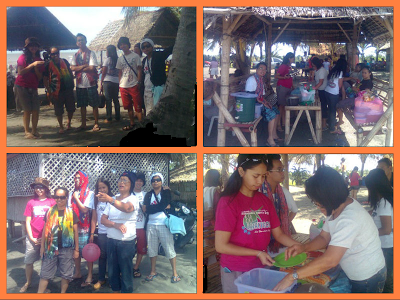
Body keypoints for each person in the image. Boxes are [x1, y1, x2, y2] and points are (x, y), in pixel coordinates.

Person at [273, 166, 386, 293]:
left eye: (319, 203)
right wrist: (303, 248)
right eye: (316, 203)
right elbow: (323, 237)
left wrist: (292, 276)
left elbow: (331, 260)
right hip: (357, 273)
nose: (318, 207)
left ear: (330, 196)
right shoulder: (336, 207)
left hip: (368, 277)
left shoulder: (349, 218)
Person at [215, 154, 300, 293]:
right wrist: (257, 253)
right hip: (235, 269)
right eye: (255, 176)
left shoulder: (264, 201)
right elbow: (221, 246)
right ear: (241, 172)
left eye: (263, 176)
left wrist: (299, 246)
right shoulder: (228, 202)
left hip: (259, 267)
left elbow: (278, 234)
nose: (260, 181)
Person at [99, 171, 139, 293]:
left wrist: (110, 200)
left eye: (125, 180)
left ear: (131, 184)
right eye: (120, 180)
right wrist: (115, 224)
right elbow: (103, 220)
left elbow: (127, 208)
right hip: (111, 240)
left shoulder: (133, 199)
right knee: (112, 273)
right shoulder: (113, 198)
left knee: (126, 273)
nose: (121, 182)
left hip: (126, 243)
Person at [37, 187, 79, 293]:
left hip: (66, 248)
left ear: (66, 198)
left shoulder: (71, 213)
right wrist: (42, 247)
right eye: (57, 197)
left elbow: (75, 232)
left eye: (62, 197)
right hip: (50, 247)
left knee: (66, 274)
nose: (59, 200)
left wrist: (77, 249)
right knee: (45, 273)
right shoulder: (49, 212)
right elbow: (44, 231)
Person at [143, 173, 181, 283]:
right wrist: (160, 207)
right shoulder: (148, 195)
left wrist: (153, 208)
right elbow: (146, 209)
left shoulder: (166, 192)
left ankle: (174, 272)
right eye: (153, 180)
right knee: (152, 249)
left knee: (169, 248)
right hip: (151, 225)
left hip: (164, 224)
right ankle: (153, 271)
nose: (155, 182)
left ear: (161, 181)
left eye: (158, 180)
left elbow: (161, 205)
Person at [20, 178, 56, 293]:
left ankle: (43, 286)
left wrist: (46, 237)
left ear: (46, 188)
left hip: (47, 237)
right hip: (33, 237)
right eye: (36, 187)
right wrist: (31, 237)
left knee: (46, 262)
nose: (39, 189)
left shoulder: (51, 202)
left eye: (41, 187)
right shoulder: (31, 202)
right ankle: (28, 282)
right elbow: (27, 220)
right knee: (29, 261)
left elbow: (55, 221)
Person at [365, 169, 393, 293]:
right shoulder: (381, 201)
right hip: (385, 245)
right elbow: (375, 213)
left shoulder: (385, 203)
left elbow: (386, 229)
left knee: (387, 279)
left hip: (387, 246)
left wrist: (368, 233)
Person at [262, 154, 298, 247]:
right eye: (279, 170)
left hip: (282, 242)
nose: (282, 173)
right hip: (263, 245)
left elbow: (294, 210)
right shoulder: (259, 193)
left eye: (282, 169)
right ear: (267, 173)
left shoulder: (284, 192)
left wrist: (283, 224)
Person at [14, 37, 45, 139]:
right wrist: (32, 64)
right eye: (31, 46)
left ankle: (34, 130)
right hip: (22, 86)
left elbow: (40, 77)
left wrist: (36, 67)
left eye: (35, 46)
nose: (33, 47)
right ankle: (27, 131)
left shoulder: (39, 60)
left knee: (35, 109)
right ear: (27, 48)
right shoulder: (22, 58)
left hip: (33, 86)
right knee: (27, 110)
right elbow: (20, 72)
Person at [68, 171, 95, 286]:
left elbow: (85, 210)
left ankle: (89, 275)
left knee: (88, 252)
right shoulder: (73, 192)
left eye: (79, 178)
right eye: (75, 178)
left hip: (84, 227)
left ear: (84, 179)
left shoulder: (90, 193)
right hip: (73, 226)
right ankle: (78, 272)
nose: (76, 180)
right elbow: (69, 207)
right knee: (76, 251)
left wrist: (76, 198)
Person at [71, 33, 101, 132]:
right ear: (76, 43)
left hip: (90, 82)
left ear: (86, 41)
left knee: (94, 104)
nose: (80, 42)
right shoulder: (76, 55)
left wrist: (78, 68)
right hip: (80, 83)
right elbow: (72, 67)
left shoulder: (91, 53)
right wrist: (84, 66)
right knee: (82, 105)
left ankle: (96, 123)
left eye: (82, 40)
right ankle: (83, 124)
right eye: (79, 40)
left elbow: (92, 67)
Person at [245, 62, 280, 147]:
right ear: (256, 69)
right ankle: (270, 139)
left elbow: (261, 96)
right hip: (252, 106)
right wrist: (263, 103)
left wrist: (266, 102)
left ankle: (274, 134)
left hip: (258, 103)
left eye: (264, 69)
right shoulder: (252, 80)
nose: (263, 71)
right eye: (261, 68)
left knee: (276, 111)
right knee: (272, 114)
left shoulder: (260, 80)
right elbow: (250, 96)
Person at [43, 47, 76, 134]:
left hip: (68, 88)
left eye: (57, 53)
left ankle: (69, 123)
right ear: (50, 55)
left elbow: (69, 72)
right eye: (53, 54)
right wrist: (48, 90)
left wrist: (72, 82)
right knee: (58, 110)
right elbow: (45, 78)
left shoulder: (64, 61)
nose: (55, 55)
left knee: (71, 108)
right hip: (56, 90)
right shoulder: (48, 64)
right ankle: (61, 126)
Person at [90, 178, 114, 290]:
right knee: (102, 256)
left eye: (104, 187)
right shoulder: (96, 200)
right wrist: (91, 233)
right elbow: (94, 218)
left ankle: (113, 279)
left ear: (108, 188)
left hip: (113, 232)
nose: (102, 189)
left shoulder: (113, 200)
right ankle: (101, 278)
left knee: (113, 256)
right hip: (102, 233)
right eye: (99, 188)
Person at [116, 37, 143, 130]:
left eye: (124, 44)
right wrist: (120, 83)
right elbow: (120, 72)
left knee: (138, 107)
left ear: (128, 44)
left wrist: (138, 81)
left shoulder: (135, 56)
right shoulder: (120, 59)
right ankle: (132, 123)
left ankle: (141, 125)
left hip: (134, 84)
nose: (123, 46)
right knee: (128, 107)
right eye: (121, 45)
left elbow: (139, 70)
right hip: (123, 85)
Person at [141, 38, 173, 115]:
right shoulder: (144, 60)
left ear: (152, 46)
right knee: (148, 110)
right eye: (143, 47)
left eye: (148, 46)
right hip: (147, 88)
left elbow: (168, 50)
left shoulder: (159, 55)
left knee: (158, 110)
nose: (146, 48)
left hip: (158, 87)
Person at [325, 58, 346, 134]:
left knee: (330, 109)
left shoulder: (333, 70)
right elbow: (340, 85)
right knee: (333, 111)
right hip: (333, 93)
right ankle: (332, 129)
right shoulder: (340, 72)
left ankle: (329, 124)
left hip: (327, 91)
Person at [100, 45, 120, 123]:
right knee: (115, 99)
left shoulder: (107, 60)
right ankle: (118, 117)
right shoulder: (118, 60)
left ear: (109, 51)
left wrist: (101, 83)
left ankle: (109, 117)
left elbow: (104, 73)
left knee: (108, 100)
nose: (106, 52)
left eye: (106, 51)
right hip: (116, 82)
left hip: (107, 81)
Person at [275, 52, 295, 132]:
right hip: (282, 87)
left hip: (288, 87)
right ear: (289, 58)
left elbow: (290, 77)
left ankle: (284, 123)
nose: (293, 59)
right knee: (281, 106)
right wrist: (283, 77)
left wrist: (292, 86)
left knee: (284, 106)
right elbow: (276, 76)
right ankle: (278, 125)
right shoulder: (283, 66)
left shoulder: (288, 66)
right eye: (293, 58)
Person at [132, 173, 147, 278]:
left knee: (141, 249)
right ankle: (126, 267)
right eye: (137, 180)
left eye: (141, 181)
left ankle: (136, 267)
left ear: (143, 183)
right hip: (130, 227)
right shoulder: (129, 194)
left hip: (142, 226)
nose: (138, 183)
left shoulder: (146, 195)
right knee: (128, 250)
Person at [311, 56, 329, 131]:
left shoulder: (322, 71)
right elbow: (316, 80)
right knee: (321, 107)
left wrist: (314, 88)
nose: (313, 67)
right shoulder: (317, 70)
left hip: (324, 91)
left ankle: (324, 125)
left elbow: (321, 82)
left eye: (314, 66)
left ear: (317, 65)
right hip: (320, 90)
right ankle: (322, 122)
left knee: (324, 107)